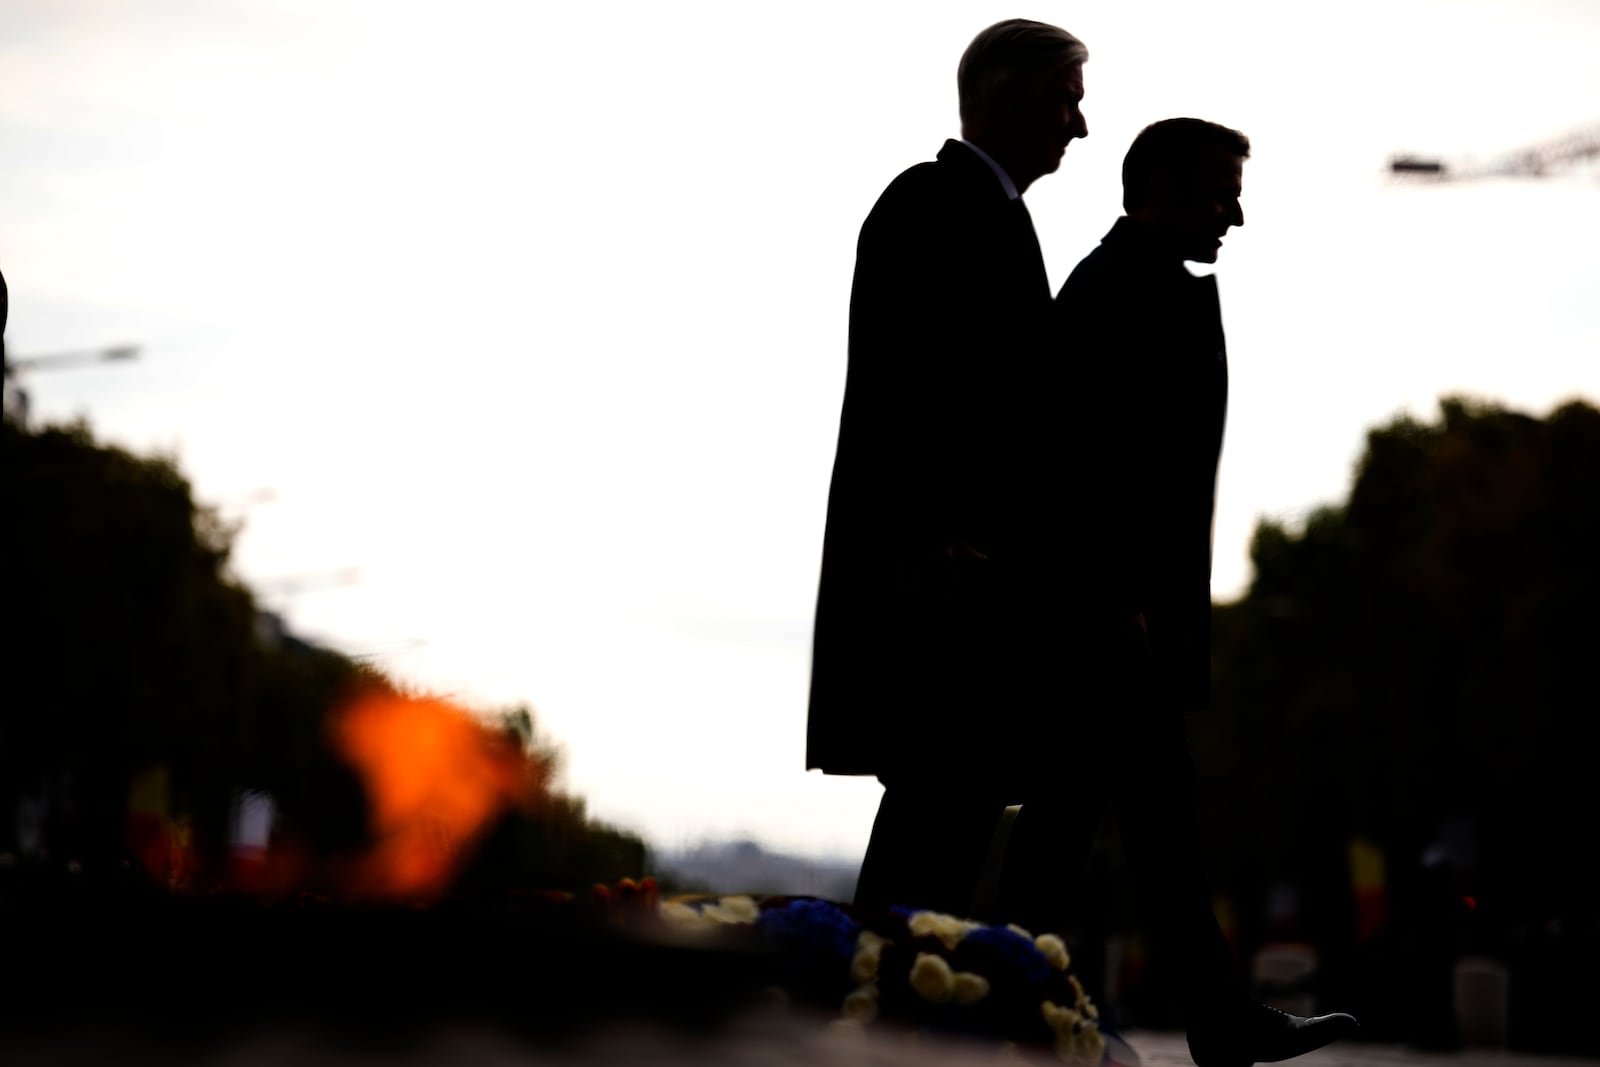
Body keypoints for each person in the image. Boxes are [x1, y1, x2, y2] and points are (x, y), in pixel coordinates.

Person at [1001, 118, 1358, 1066]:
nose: (1236, 214)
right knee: (1116, 824)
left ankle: (1009, 994)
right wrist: (1115, 599)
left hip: (1121, 616)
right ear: (1156, 184)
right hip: (1112, 619)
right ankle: (1002, 994)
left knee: (1122, 825)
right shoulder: (1117, 292)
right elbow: (1081, 467)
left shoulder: (1131, 285)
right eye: (1218, 191)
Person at [806, 19, 1089, 917]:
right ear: (1005, 92)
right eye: (1066, 100)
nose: (1079, 127)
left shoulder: (982, 214)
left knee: (948, 811)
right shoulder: (933, 204)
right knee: (940, 812)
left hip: (970, 578)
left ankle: (889, 1010)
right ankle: (884, 1015)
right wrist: (928, 534)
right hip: (949, 581)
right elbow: (902, 383)